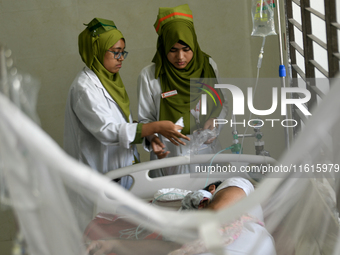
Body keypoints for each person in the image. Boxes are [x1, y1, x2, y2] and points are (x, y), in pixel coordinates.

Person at [63, 18, 189, 231]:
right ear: (96, 51)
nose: (121, 58)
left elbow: (122, 124)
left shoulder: (110, 81)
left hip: (120, 175)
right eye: (115, 52)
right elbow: (108, 132)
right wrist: (155, 127)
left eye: (123, 52)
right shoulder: (85, 88)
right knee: (101, 238)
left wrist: (149, 136)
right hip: (99, 178)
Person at [137, 4, 228, 176]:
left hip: (206, 153)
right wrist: (153, 138)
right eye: (173, 50)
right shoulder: (149, 76)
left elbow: (222, 103)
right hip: (170, 155)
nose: (180, 57)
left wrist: (215, 120)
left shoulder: (208, 67)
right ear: (163, 47)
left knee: (210, 199)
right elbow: (145, 119)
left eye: (186, 49)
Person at [85, 177, 276, 255]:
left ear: (213, 188)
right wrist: (113, 243)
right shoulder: (194, 227)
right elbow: (172, 247)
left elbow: (215, 215)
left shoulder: (237, 183)